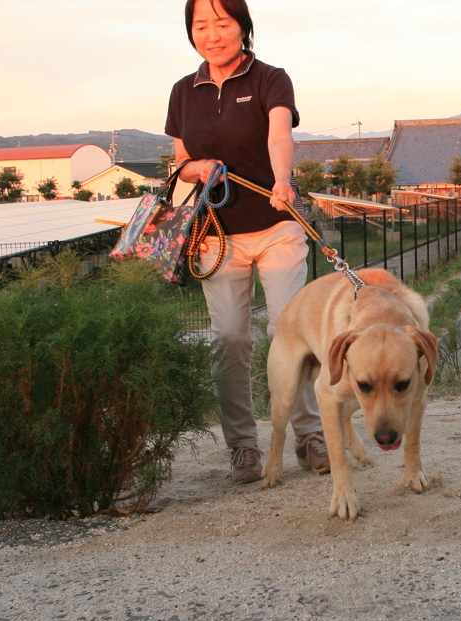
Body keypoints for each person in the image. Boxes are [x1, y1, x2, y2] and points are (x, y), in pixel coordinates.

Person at [166, 0, 328, 484]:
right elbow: (181, 162)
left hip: (277, 226)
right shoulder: (182, 91)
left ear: (242, 27)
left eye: (222, 23)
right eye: (201, 25)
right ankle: (242, 447)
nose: (212, 34)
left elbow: (280, 136)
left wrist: (282, 179)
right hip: (216, 235)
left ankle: (309, 436)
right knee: (230, 339)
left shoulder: (270, 79)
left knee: (288, 329)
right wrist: (198, 167)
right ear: (191, 32)